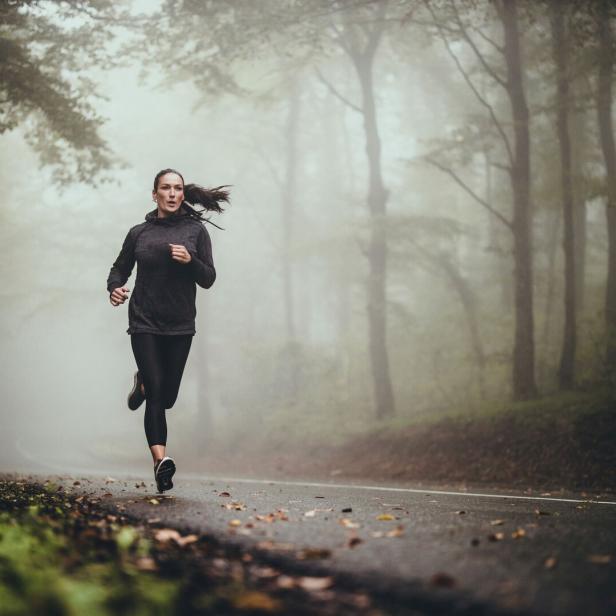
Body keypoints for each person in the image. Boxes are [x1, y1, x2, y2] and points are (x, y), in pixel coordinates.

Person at [107, 168, 229, 493]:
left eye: (177, 188)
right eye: (166, 188)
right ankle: (160, 462)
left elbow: (208, 278)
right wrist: (115, 288)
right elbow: (120, 268)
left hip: (180, 324)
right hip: (144, 321)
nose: (172, 194)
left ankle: (142, 383)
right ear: (155, 194)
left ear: (182, 194)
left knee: (168, 396)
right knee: (158, 395)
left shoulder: (196, 232)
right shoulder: (139, 233)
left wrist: (190, 260)